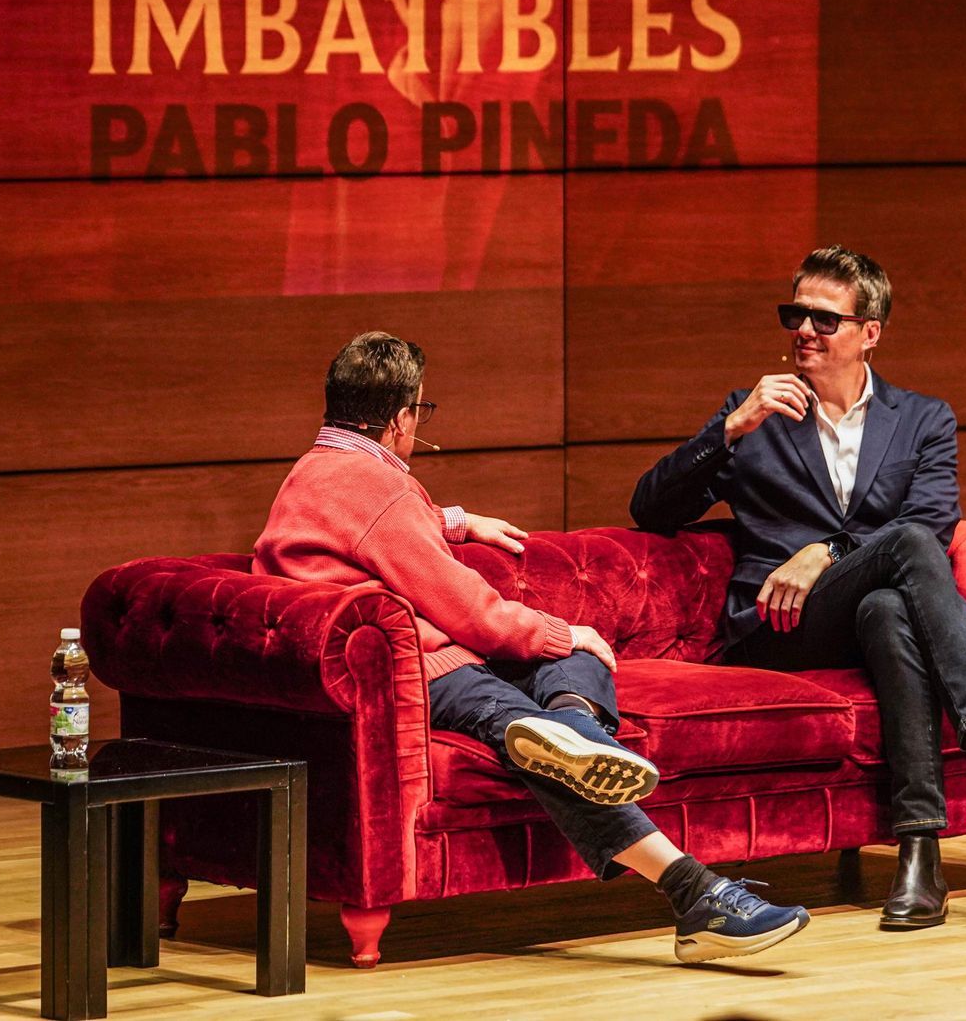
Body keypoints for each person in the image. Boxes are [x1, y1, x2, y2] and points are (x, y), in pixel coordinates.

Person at [254, 331, 809, 962]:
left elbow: (366, 530)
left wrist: (456, 522)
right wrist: (554, 629)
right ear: (403, 417)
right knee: (570, 653)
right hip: (424, 669)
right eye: (421, 412)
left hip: (394, 667)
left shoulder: (315, 472)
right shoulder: (374, 487)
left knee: (575, 663)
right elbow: (469, 609)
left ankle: (570, 735)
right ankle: (696, 892)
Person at [630, 247, 966, 931]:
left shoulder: (922, 420)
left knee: (886, 609)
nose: (805, 330)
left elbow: (934, 520)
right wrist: (727, 430)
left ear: (870, 331)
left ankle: (919, 857)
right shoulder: (755, 417)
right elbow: (651, 510)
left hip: (881, 612)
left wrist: (827, 550)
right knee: (903, 548)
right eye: (796, 314)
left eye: (825, 318)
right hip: (782, 626)